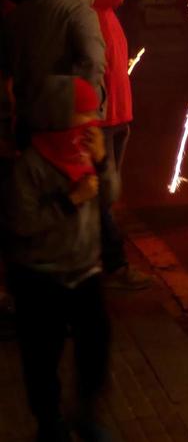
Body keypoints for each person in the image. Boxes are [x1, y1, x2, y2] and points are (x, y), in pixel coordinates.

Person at [1, 75, 110, 441]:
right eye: (84, 115)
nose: (92, 122)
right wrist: (69, 201)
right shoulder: (30, 166)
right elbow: (20, 223)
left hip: (85, 271)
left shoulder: (85, 152)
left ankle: (87, 414)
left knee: (95, 349)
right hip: (41, 278)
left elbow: (111, 197)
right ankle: (50, 426)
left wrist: (104, 163)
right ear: (58, 116)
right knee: (42, 359)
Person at [0, 0, 107, 150]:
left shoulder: (18, 14)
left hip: (26, 126)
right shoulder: (81, 14)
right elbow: (93, 64)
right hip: (67, 132)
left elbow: (4, 73)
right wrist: (88, 110)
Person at [93, 0, 151, 291]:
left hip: (118, 119)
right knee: (103, 195)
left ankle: (105, 259)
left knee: (109, 194)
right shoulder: (88, 17)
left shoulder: (110, 16)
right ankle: (114, 265)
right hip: (102, 123)